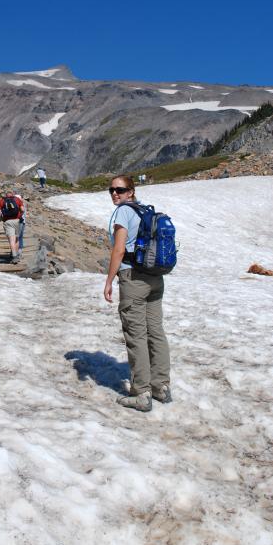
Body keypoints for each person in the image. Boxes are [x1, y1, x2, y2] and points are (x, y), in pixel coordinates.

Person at [103, 174, 171, 412]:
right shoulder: (145, 210)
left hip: (134, 278)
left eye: (119, 190)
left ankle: (141, 392)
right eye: (111, 190)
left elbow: (119, 249)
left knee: (136, 335)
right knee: (156, 332)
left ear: (130, 191)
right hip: (155, 279)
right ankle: (161, 386)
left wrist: (109, 280)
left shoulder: (123, 211)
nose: (114, 194)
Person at [0, 191, 24, 264]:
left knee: (12, 240)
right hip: (17, 221)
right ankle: (15, 254)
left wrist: (1, 218)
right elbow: (22, 210)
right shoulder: (17, 200)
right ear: (12, 195)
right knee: (17, 239)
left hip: (7, 222)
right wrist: (20, 216)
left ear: (6, 195)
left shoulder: (2, 200)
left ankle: (14, 256)